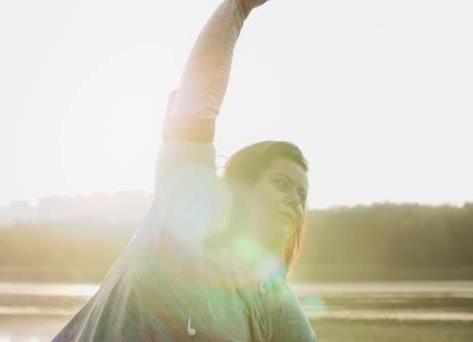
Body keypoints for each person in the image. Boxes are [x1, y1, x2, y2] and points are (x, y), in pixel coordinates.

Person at [53, 0, 316, 340]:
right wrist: (238, 8)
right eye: (281, 183)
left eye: (302, 194)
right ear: (238, 189)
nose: (295, 201)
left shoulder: (272, 297)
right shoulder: (181, 233)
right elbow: (198, 103)